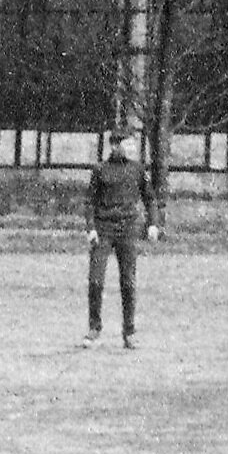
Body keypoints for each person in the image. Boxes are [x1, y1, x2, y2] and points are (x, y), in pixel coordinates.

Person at [86, 126, 160, 348]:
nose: (132, 148)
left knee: (128, 282)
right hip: (103, 229)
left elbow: (150, 199)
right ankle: (94, 327)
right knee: (95, 280)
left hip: (127, 230)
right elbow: (90, 202)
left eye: (133, 144)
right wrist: (90, 228)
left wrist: (153, 223)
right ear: (114, 146)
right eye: (127, 144)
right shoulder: (100, 170)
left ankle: (129, 332)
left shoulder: (137, 170)